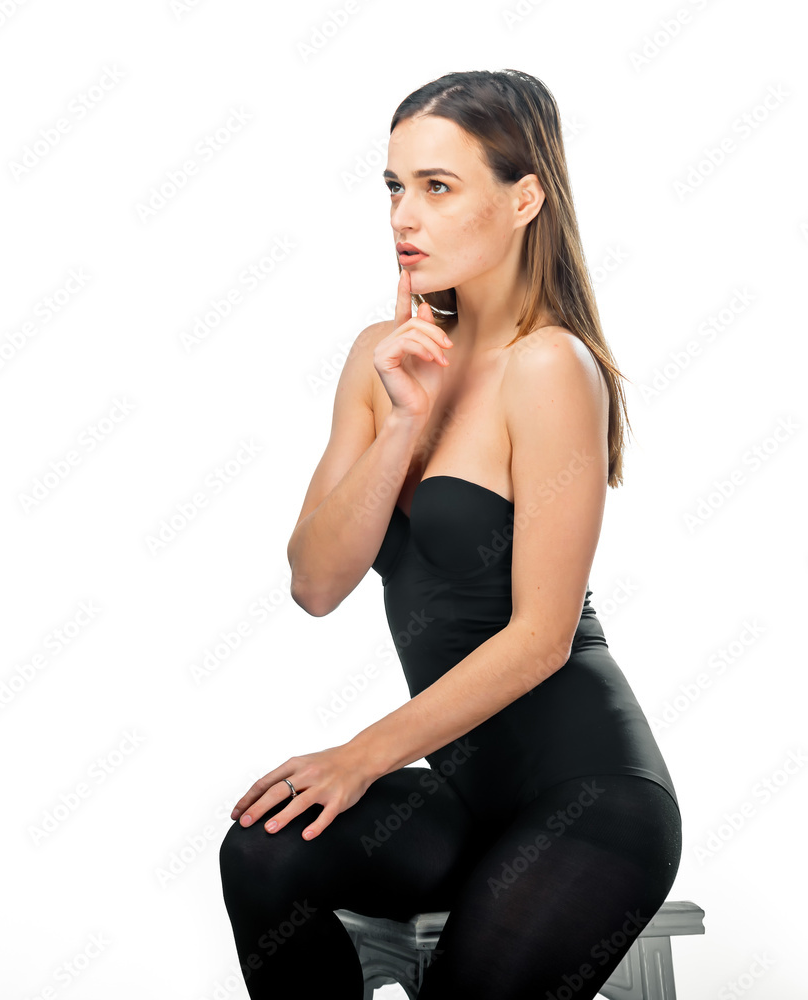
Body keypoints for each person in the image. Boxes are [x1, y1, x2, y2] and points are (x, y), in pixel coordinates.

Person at [219, 68, 682, 999]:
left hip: (590, 797)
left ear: (523, 199)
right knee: (264, 847)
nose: (404, 216)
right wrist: (402, 421)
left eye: (437, 187)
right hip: (466, 800)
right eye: (395, 186)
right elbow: (315, 583)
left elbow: (541, 637)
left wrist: (359, 756)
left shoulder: (550, 366)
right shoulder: (382, 356)